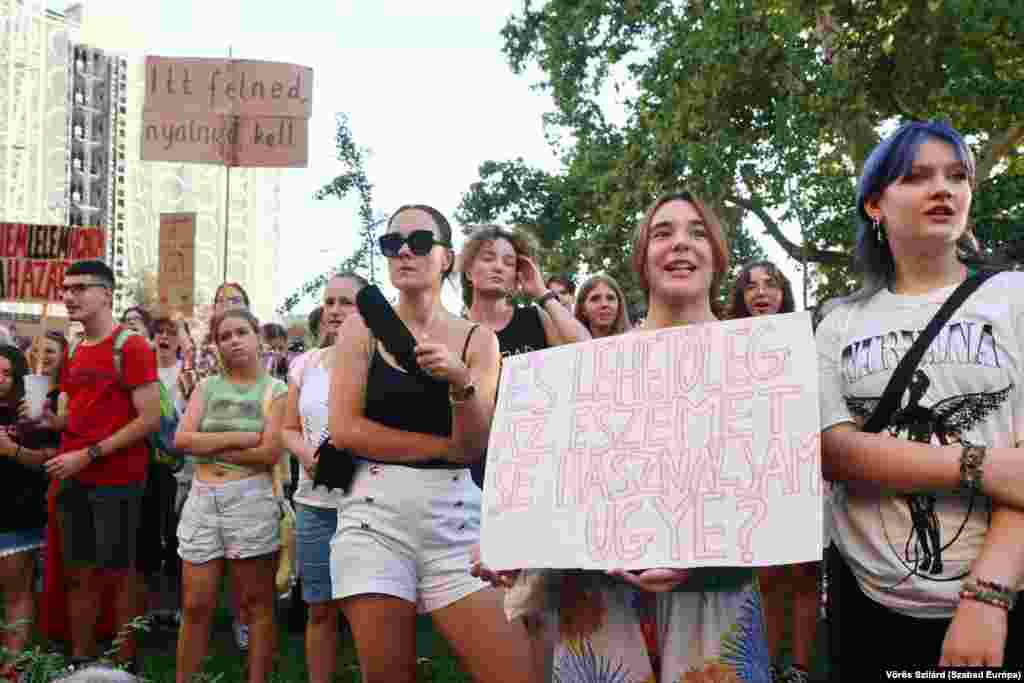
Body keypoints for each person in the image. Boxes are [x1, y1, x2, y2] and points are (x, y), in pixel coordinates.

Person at [485, 191, 773, 681]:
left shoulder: (759, 362)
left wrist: (699, 557)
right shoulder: (592, 366)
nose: (681, 244)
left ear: (718, 255)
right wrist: (510, 529)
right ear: (642, 259)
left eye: (697, 232)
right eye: (663, 233)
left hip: (715, 600)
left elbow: (775, 485)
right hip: (601, 603)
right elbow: (559, 479)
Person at [817, 119, 1024, 673]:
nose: (943, 188)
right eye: (916, 177)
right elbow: (833, 450)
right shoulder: (838, 322)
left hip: (1001, 602)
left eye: (957, 176)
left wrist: (989, 597)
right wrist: (979, 465)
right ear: (874, 205)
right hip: (866, 605)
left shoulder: (1014, 299)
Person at [328, 204, 533, 683]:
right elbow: (345, 430)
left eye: (419, 242)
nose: (404, 251)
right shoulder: (361, 327)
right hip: (373, 517)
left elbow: (475, 443)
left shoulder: (478, 341)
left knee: (517, 674)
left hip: (456, 522)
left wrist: (461, 384)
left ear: (446, 258)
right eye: (392, 243)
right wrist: (441, 448)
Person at [44, 260, 161, 673]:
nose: (68, 295)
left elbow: (149, 419)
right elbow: (79, 413)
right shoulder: (74, 346)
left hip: (117, 479)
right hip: (73, 475)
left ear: (107, 294)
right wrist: (52, 421)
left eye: (79, 288)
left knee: (119, 573)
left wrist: (89, 453)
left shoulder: (131, 346)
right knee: (78, 571)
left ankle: (123, 665)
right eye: (65, 288)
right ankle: (80, 661)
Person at [173, 308, 286, 683]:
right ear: (217, 345)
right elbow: (182, 440)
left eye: (241, 332)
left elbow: (269, 453)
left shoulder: (277, 391)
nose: (233, 340)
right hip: (203, 498)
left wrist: (206, 445)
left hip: (250, 499)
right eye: (224, 336)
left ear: (258, 337)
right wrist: (239, 438)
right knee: (195, 604)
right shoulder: (207, 387)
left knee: (257, 605)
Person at [282, 272, 365, 683]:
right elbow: (286, 428)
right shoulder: (305, 363)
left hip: (367, 504)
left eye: (345, 302)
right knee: (319, 606)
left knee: (371, 610)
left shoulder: (380, 362)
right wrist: (308, 456)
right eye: (329, 302)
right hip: (315, 505)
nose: (334, 311)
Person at [729, 261, 810, 682]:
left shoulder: (806, 336)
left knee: (802, 572)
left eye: (771, 285)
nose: (761, 293)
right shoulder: (725, 343)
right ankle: (767, 663)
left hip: (801, 467)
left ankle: (798, 666)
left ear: (783, 293)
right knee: (765, 575)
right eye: (751, 287)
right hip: (751, 471)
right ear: (740, 297)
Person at [0, 345, 52, 681]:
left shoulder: (32, 410)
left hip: (17, 511)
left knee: (16, 593)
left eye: (6, 373)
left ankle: (12, 669)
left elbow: (50, 458)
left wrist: (12, 450)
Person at [462, 226, 590, 359]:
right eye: (488, 259)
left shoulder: (537, 319)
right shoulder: (455, 330)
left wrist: (542, 292)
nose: (499, 267)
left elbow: (588, 349)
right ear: (469, 272)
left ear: (516, 276)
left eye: (509, 263)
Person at [572, 273, 633, 338]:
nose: (604, 304)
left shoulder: (635, 342)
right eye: (595, 299)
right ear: (583, 309)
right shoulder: (569, 345)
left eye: (610, 298)